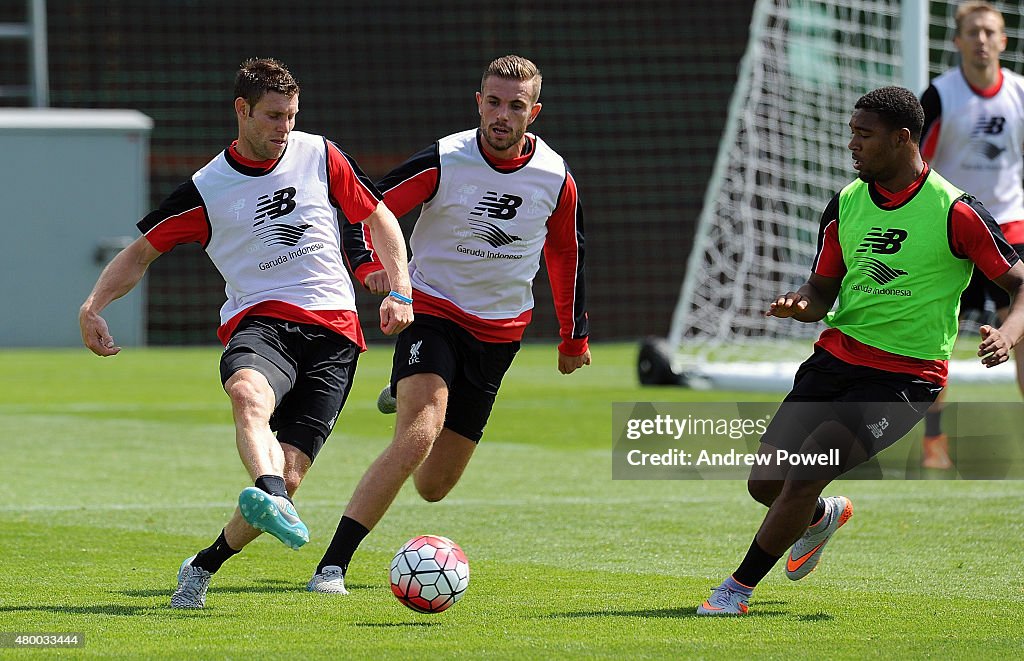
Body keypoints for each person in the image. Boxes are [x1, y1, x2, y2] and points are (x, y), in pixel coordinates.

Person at [78, 57, 414, 609]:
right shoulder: (207, 189)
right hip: (262, 321)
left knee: (294, 470)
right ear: (242, 111)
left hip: (335, 334)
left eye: (291, 115)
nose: (284, 127)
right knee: (247, 393)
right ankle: (269, 491)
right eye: (273, 116)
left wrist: (400, 288)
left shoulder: (320, 154)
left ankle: (205, 562)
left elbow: (379, 218)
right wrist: (94, 305)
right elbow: (139, 254)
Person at [696, 86, 1024, 616]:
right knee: (766, 484)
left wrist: (1006, 335)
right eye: (852, 132)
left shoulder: (956, 210)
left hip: (905, 379)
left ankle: (735, 590)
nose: (852, 144)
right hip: (835, 359)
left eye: (863, 135)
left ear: (901, 139)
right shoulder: (846, 203)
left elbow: (1020, 284)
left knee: (803, 473)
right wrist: (799, 303)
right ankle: (823, 516)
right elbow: (822, 290)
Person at [305, 54, 591, 595]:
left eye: (514, 105)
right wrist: (372, 269)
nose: (501, 115)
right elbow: (367, 210)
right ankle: (332, 566)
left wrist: (573, 335)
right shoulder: (445, 159)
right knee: (418, 433)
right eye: (492, 102)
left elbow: (566, 254)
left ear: (535, 112)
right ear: (477, 102)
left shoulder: (556, 177)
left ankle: (403, 387)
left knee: (434, 486)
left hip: (500, 334)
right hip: (431, 311)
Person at [918, 1, 1024, 469]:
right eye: (972, 32)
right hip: (952, 232)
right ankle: (933, 441)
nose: (981, 39)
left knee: (1023, 330)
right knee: (934, 340)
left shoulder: (1020, 94)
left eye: (990, 32)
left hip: (1010, 227)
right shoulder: (939, 96)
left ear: (1003, 40)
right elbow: (915, 164)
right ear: (957, 40)